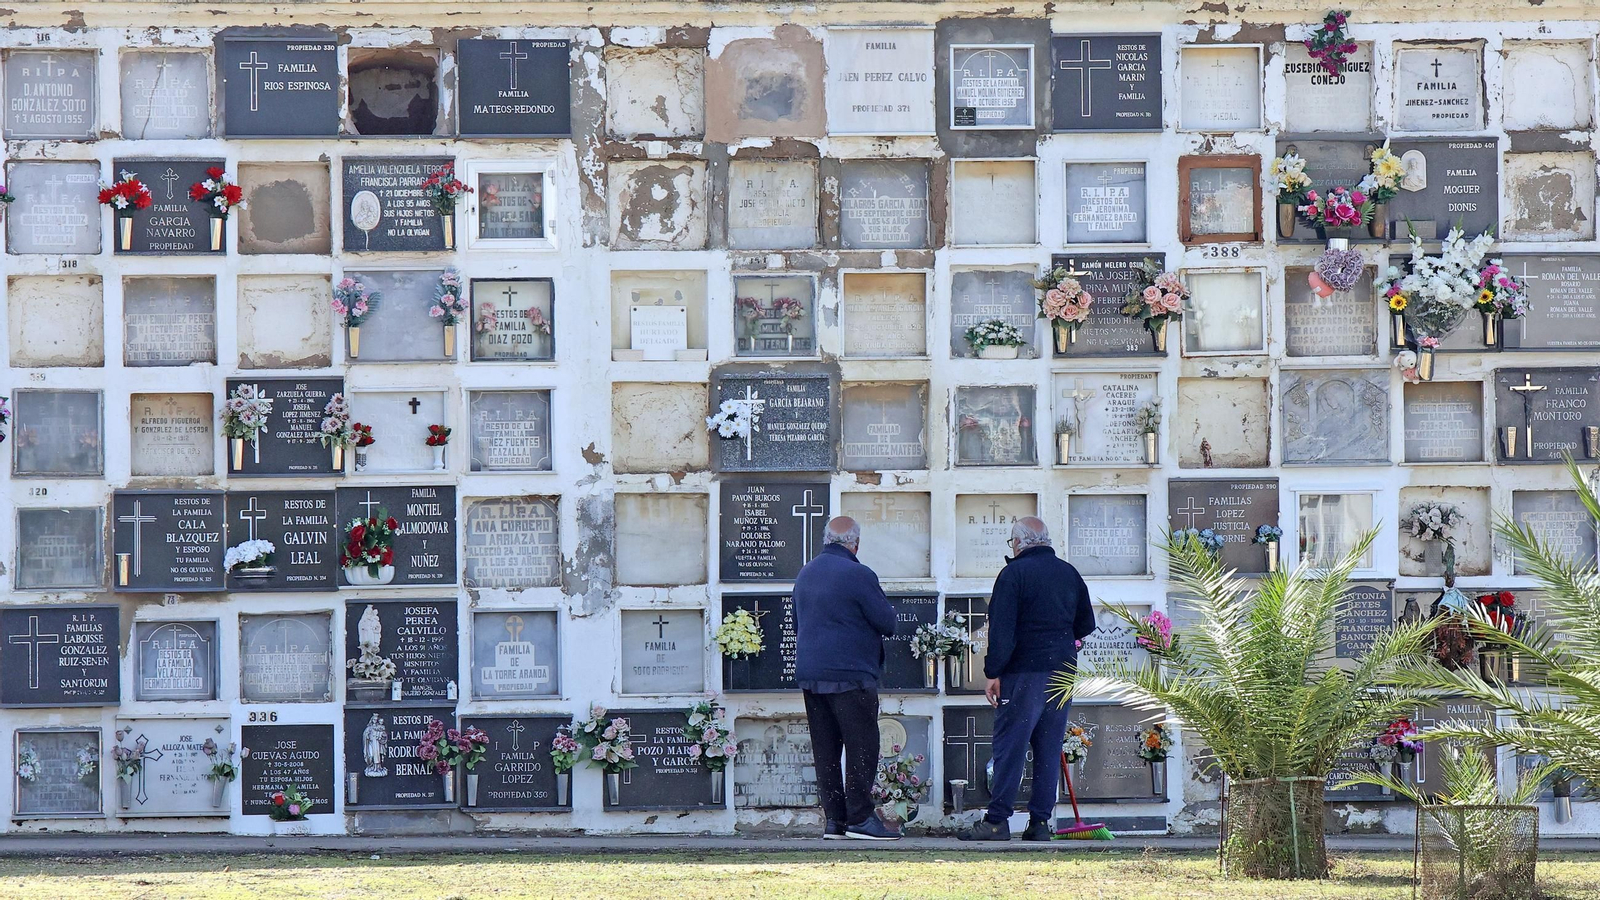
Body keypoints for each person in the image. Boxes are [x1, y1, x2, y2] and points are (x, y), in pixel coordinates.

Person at [958, 516, 1097, 842]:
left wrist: (993, 672)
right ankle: (1039, 824)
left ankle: (996, 822)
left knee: (1011, 746)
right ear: (1046, 541)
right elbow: (1086, 623)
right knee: (1049, 748)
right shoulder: (1069, 573)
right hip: (1063, 671)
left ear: (1018, 543)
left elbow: (1002, 632)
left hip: (1024, 674)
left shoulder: (1013, 574)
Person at [794, 516, 900, 841]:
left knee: (825, 750)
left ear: (826, 540)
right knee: (861, 748)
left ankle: (834, 821)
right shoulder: (859, 574)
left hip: (812, 676)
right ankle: (861, 819)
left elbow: (799, 624)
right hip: (851, 676)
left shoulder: (805, 573)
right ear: (855, 543)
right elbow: (887, 623)